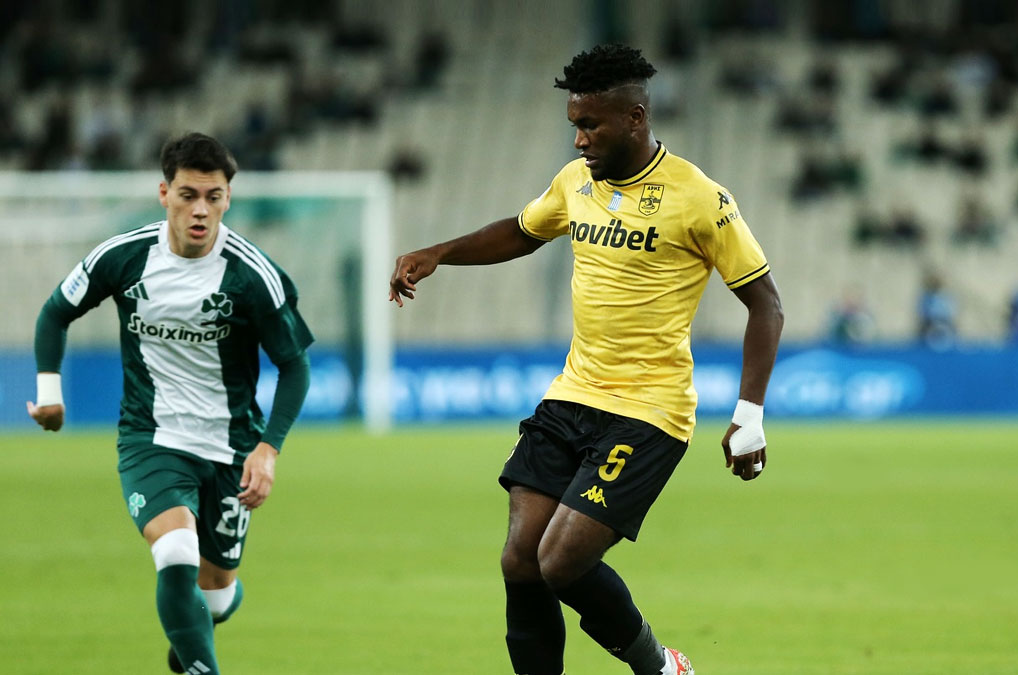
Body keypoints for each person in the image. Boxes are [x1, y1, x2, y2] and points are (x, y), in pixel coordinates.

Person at [389, 44, 784, 675]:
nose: (578, 140)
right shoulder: (575, 182)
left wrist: (750, 414)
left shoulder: (698, 197)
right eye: (574, 125)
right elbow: (523, 231)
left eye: (590, 125)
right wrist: (439, 253)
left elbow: (766, 305)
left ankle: (661, 667)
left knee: (560, 561)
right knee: (521, 560)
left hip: (648, 412)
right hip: (572, 395)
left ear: (635, 118)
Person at [26, 132, 313, 674]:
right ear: (164, 193)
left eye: (213, 196)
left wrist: (268, 449)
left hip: (231, 447)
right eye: (188, 195)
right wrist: (49, 393)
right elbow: (55, 312)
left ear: (228, 198)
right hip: (151, 437)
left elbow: (295, 366)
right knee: (176, 552)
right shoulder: (125, 256)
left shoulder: (253, 275)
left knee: (216, 596)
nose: (200, 210)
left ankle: (194, 629)